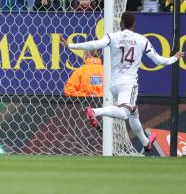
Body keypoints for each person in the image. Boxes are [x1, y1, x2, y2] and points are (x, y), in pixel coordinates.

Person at [61, 11, 184, 152]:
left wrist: (71, 45)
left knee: (133, 111)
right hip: (128, 83)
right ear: (135, 24)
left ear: (121, 24)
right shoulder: (142, 40)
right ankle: (95, 111)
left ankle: (145, 142)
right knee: (125, 112)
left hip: (113, 84)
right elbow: (159, 61)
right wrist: (174, 57)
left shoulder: (112, 37)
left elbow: (94, 44)